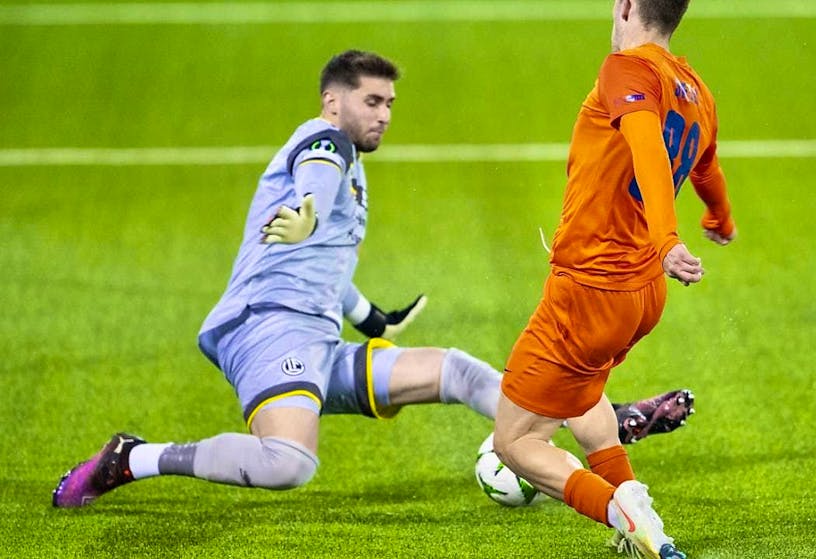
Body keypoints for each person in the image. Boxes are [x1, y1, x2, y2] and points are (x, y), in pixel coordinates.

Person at [52, 49, 695, 510]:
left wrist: (370, 317)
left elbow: (324, 263)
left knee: (456, 370)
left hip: (316, 339)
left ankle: (598, 415)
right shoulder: (325, 141)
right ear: (334, 101)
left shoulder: (354, 168)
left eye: (389, 102)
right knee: (289, 464)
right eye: (372, 100)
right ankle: (131, 457)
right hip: (269, 330)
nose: (384, 113)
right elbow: (314, 184)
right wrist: (304, 214)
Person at [492, 1, 736, 558]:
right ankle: (639, 513)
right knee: (583, 393)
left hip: (592, 287)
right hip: (641, 294)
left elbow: (647, 146)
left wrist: (668, 238)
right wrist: (719, 217)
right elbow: (707, 167)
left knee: (516, 440)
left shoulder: (625, 68)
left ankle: (619, 513)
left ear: (625, 4)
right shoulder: (696, 89)